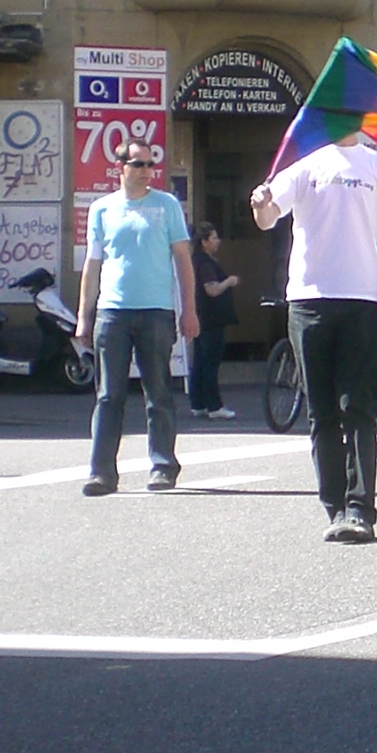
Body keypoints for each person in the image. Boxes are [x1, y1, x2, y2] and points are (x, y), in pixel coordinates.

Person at [252, 132, 377, 544]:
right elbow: (268, 218)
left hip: (362, 298)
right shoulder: (305, 165)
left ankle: (360, 510)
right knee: (320, 410)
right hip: (309, 299)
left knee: (357, 406)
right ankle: (335, 506)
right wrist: (261, 204)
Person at [77, 141, 198, 496]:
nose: (147, 171)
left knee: (157, 392)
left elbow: (183, 260)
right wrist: (84, 316)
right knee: (108, 395)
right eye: (139, 164)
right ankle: (101, 473)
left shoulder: (167, 205)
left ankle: (162, 465)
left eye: (150, 164)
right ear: (121, 167)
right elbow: (92, 265)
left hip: (156, 312)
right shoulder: (102, 209)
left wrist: (189, 309)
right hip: (112, 311)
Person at [188, 222, 239, 420]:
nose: (218, 241)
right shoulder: (206, 264)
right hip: (211, 319)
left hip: (201, 317)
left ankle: (197, 403)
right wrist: (229, 281)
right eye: (214, 238)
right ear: (204, 241)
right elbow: (212, 289)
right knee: (210, 363)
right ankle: (214, 406)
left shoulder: (195, 260)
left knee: (200, 361)